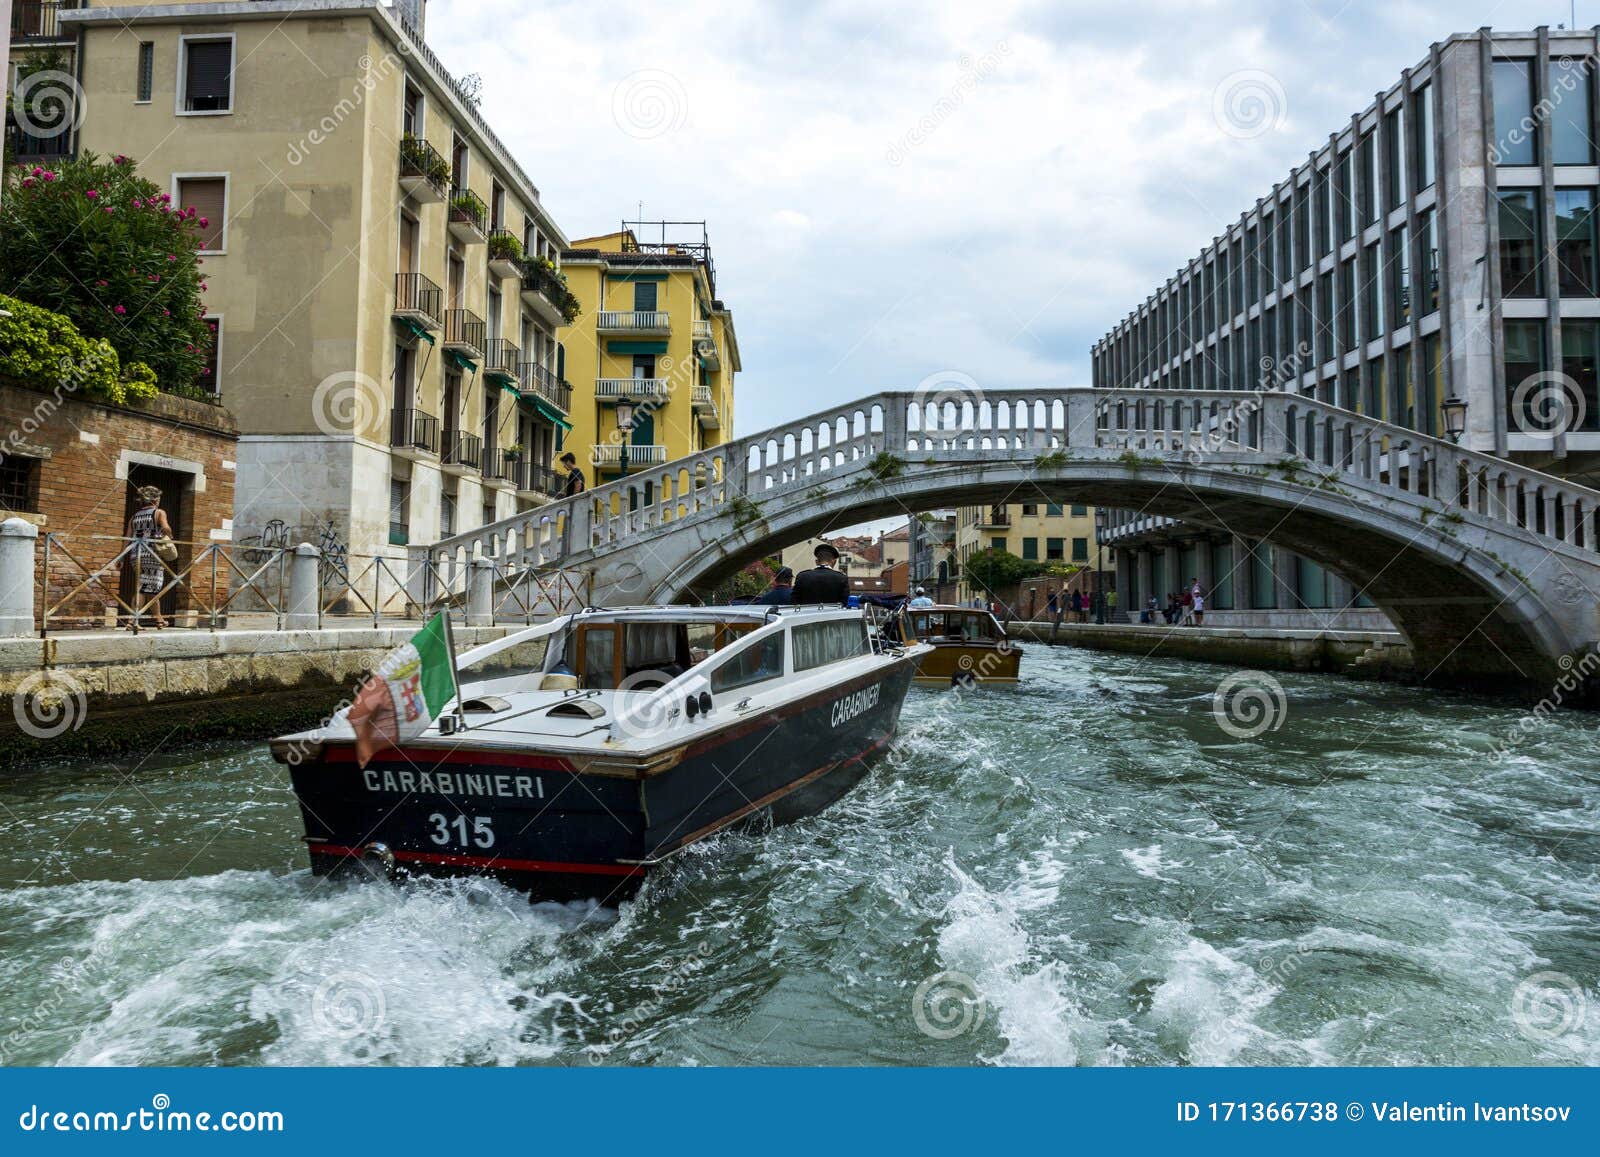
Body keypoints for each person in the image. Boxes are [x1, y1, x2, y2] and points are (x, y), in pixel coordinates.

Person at [124, 484, 172, 630]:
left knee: (148, 588)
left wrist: (120, 558)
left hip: (135, 554)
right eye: (158, 498)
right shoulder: (159, 513)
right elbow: (165, 528)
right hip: (152, 555)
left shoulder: (134, 517)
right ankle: (132, 622)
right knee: (145, 588)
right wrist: (163, 535)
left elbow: (127, 538)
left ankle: (158, 620)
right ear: (154, 499)